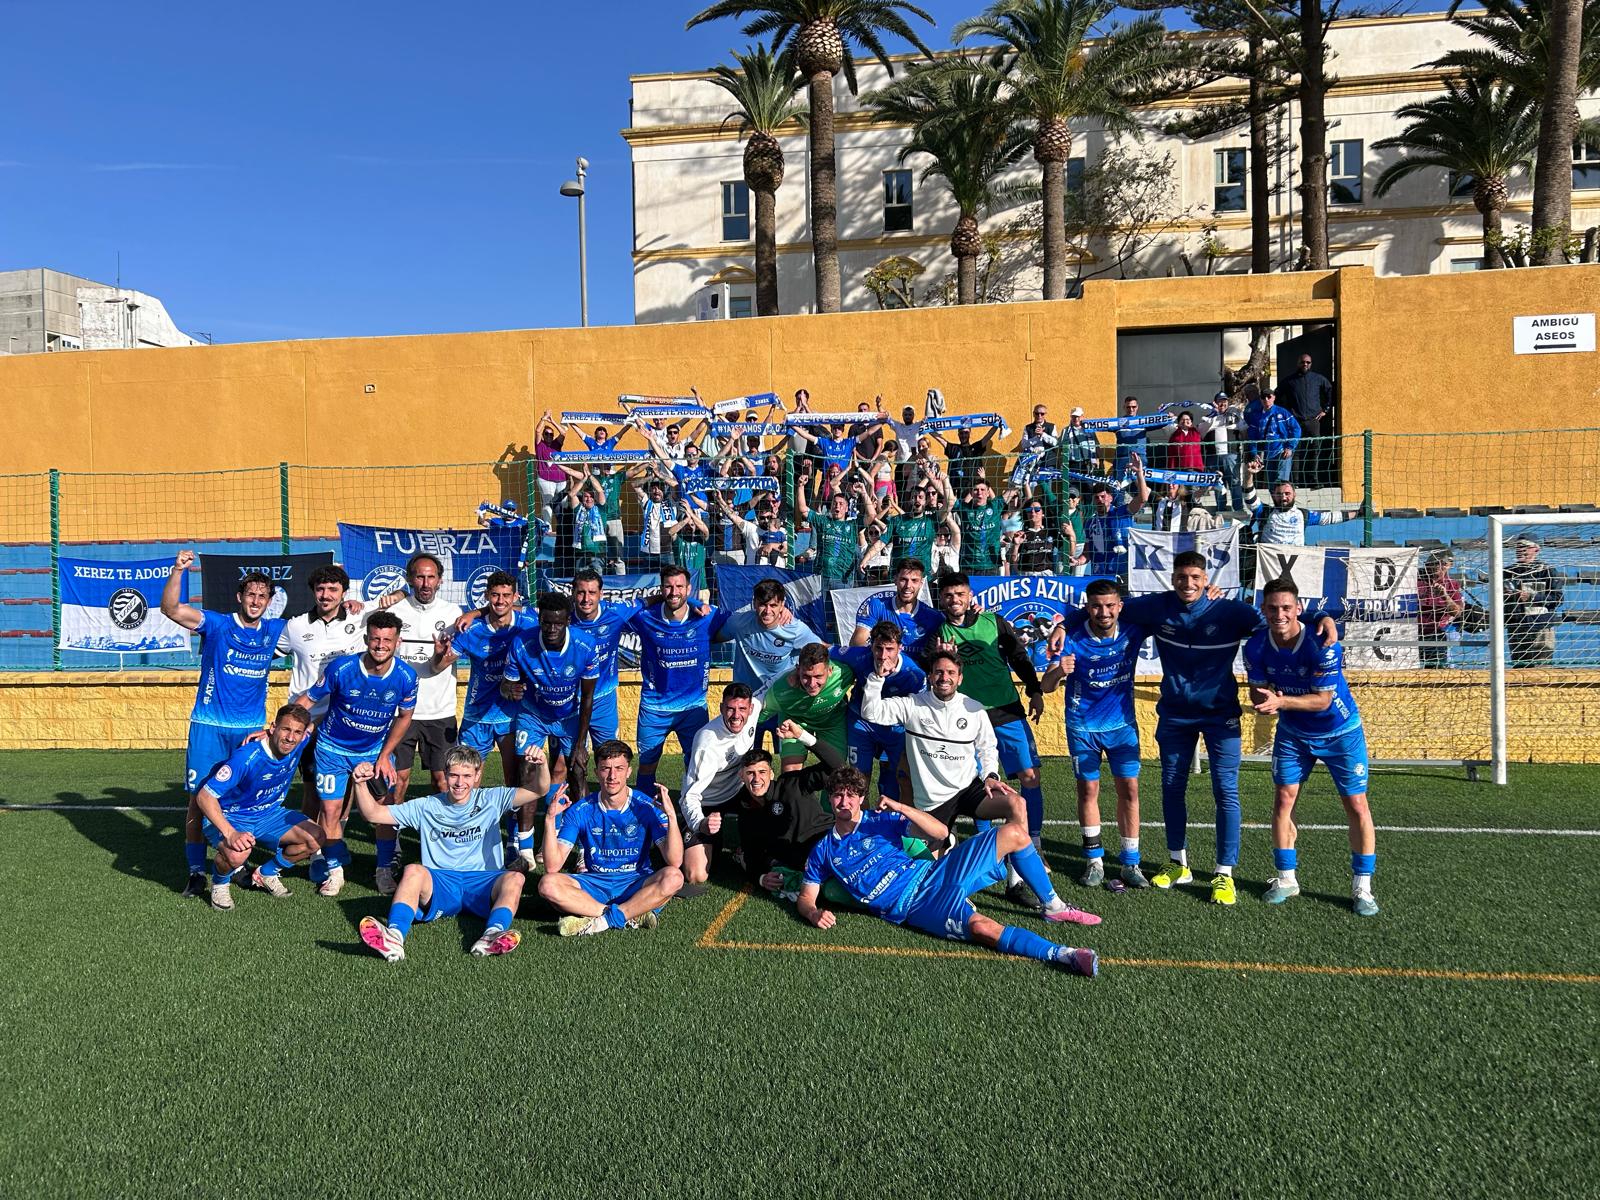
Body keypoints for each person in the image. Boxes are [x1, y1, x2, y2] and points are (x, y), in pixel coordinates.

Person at [1049, 550, 1337, 906]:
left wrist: (1320, 615)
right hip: (1175, 714)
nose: (1189, 584)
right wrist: (1065, 624)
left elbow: (1279, 616)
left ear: (1206, 579)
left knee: (1226, 792)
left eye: (1196, 578)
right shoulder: (1156, 608)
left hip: (1221, 715)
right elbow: (1105, 608)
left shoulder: (1230, 611)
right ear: (1173, 579)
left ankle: (1223, 873)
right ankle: (1177, 863)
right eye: (1182, 578)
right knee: (1172, 788)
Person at [796, 766, 1100, 976]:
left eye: (852, 794)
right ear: (830, 798)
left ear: (862, 797)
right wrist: (813, 913)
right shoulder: (824, 850)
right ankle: (1066, 954)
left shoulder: (881, 821)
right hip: (916, 906)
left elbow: (940, 832)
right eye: (838, 794)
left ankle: (1054, 906)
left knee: (1015, 833)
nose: (844, 801)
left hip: (934, 873)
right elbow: (807, 897)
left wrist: (901, 808)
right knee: (983, 929)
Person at [1245, 577, 1378, 917]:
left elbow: (1322, 701)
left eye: (1287, 607)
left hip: (1340, 732)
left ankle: (1362, 887)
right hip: (1293, 733)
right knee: (1283, 800)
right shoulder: (1255, 646)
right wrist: (1264, 700)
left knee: (1356, 804)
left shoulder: (1323, 643)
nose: (1280, 614)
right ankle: (1286, 878)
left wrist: (1281, 701)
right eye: (1273, 608)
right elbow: (1258, 691)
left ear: (1299, 610)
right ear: (1264, 610)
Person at [161, 550, 290, 898]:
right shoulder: (218, 624)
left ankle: (238, 860)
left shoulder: (277, 630)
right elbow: (171, 609)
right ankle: (195, 871)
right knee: (196, 798)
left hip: (248, 730)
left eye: (263, 596)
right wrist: (178, 571)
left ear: (270, 601)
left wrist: (351, 606)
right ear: (240, 597)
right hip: (208, 726)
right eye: (251, 594)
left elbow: (320, 629)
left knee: (238, 797)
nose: (256, 601)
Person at [353, 744, 552, 962]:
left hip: (483, 883)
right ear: (445, 775)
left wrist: (542, 765)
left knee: (515, 877)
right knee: (413, 871)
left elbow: (538, 790)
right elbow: (373, 814)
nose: (459, 782)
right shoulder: (426, 806)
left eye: (466, 775)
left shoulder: (492, 799)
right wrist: (360, 784)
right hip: (441, 882)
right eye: (454, 775)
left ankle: (492, 935)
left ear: (477, 776)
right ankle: (394, 936)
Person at [929, 572, 1050, 903]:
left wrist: (1036, 691)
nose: (954, 600)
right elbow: (934, 674)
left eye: (960, 594)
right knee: (978, 784)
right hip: (966, 716)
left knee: (1028, 777)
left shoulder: (994, 623)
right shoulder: (939, 633)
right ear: (941, 599)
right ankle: (988, 861)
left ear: (969, 595)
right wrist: (938, 656)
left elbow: (1020, 657)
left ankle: (1032, 844)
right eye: (948, 595)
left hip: (1007, 710)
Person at [293, 611, 418, 898]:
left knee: (385, 811)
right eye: (375, 638)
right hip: (331, 751)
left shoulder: (405, 677)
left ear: (397, 642)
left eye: (387, 639)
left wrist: (385, 755)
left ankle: (384, 869)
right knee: (331, 811)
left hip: (373, 753)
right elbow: (309, 699)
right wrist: (281, 725)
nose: (380, 645)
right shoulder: (342, 668)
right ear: (366, 639)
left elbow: (404, 717)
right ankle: (335, 870)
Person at [1039, 581, 1149, 889]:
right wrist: (1059, 670)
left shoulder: (1132, 630)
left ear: (1120, 606)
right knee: (1088, 790)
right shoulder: (1071, 639)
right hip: (1082, 727)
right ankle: (1094, 861)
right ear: (1087, 607)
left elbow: (1166, 608)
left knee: (1130, 790)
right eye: (1097, 606)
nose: (1104, 612)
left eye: (1110, 605)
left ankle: (1131, 862)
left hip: (1122, 726)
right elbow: (1047, 687)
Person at [538, 739, 686, 936]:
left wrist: (672, 817)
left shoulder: (646, 806)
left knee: (675, 878)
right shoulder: (581, 809)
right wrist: (549, 819)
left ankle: (598, 920)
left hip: (636, 882)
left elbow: (675, 860)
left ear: (629, 772)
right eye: (605, 768)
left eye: (619, 768)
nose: (612, 776)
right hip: (595, 883)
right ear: (596, 771)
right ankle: (629, 913)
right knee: (547, 884)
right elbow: (552, 866)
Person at [381, 552, 464, 892]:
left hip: (440, 711)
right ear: (409, 578)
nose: (425, 583)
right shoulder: (394, 613)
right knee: (396, 782)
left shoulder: (452, 614)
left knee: (441, 783)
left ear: (440, 580)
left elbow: (446, 661)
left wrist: (438, 658)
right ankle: (394, 848)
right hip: (402, 714)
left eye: (431, 577)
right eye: (419, 577)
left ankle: (440, 845)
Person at [193, 704, 325, 909]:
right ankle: (220, 883)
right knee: (238, 853)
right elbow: (204, 797)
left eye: (297, 732)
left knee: (316, 837)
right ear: (273, 728)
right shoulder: (246, 757)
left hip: (270, 814)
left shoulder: (299, 742)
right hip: (232, 816)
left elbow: (313, 726)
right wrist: (230, 833)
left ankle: (266, 873)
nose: (291, 738)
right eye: (285, 729)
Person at [500, 591, 598, 855]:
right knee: (527, 775)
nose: (552, 629)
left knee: (577, 772)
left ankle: (581, 848)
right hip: (533, 716)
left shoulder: (586, 646)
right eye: (546, 622)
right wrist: (511, 690)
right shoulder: (521, 643)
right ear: (539, 619)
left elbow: (587, 698)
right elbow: (506, 685)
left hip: (569, 717)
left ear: (568, 621)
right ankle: (525, 852)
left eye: (558, 623)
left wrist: (579, 745)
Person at [626, 564, 729, 794]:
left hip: (693, 707)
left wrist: (695, 604)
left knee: (697, 765)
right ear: (661, 588)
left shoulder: (707, 617)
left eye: (680, 586)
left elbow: (742, 620)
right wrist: (656, 600)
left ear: (689, 588)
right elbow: (618, 612)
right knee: (647, 765)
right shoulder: (645, 618)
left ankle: (691, 815)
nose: (674, 591)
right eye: (668, 586)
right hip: (654, 708)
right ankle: (646, 816)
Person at [273, 563, 366, 817]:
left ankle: (334, 840)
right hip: (307, 717)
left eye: (333, 589)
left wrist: (361, 604)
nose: (326, 595)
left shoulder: (360, 619)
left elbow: (399, 596)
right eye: (320, 589)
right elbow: (267, 653)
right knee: (311, 787)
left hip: (344, 719)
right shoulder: (295, 626)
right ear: (313, 591)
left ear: (344, 592)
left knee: (343, 786)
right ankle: (312, 847)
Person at [448, 570, 537, 783]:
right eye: (495, 595)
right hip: (477, 712)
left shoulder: (528, 623)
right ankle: (468, 816)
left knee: (514, 777)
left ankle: (513, 818)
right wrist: (441, 655)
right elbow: (438, 664)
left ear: (515, 597)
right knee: (467, 777)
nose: (501, 600)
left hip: (511, 711)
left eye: (506, 595)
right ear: (487, 595)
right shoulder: (470, 629)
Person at [677, 684, 763, 886]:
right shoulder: (707, 743)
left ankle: (743, 844)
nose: (736, 715)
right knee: (696, 875)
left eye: (742, 709)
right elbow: (689, 796)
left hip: (739, 792)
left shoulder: (754, 708)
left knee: (766, 789)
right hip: (707, 803)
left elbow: (770, 685)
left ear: (750, 709)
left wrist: (796, 672)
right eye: (730, 709)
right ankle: (686, 830)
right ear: (721, 708)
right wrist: (701, 823)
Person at [830, 621, 926, 802]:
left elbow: (922, 710)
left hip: (895, 727)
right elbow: (826, 650)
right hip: (860, 723)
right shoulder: (859, 656)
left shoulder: (914, 674)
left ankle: (902, 823)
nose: (883, 656)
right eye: (878, 648)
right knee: (858, 778)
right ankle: (859, 825)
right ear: (870, 646)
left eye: (889, 649)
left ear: (900, 648)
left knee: (902, 776)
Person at [759, 642, 854, 770]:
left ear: (830, 671)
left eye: (818, 676)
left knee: (837, 770)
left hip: (832, 723)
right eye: (806, 676)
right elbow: (753, 717)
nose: (812, 683)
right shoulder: (780, 691)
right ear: (798, 670)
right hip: (794, 723)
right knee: (790, 773)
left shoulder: (844, 673)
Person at [716, 578, 821, 690]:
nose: (767, 610)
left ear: (782, 605)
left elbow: (823, 649)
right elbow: (712, 637)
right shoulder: (739, 623)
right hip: (745, 696)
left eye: (773, 605)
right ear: (754, 603)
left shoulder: (795, 629)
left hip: (778, 695)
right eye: (762, 604)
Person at [1075, 457, 1149, 579]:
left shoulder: (1123, 512)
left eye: (1103, 497)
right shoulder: (1090, 523)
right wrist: (1077, 561)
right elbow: (1087, 553)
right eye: (1097, 498)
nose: (1100, 500)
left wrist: (1139, 473)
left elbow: (1143, 498)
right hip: (1100, 575)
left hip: (1124, 574)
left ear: (1110, 497)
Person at [850, 558, 943, 654]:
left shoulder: (934, 617)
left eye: (914, 580)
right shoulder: (877, 605)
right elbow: (857, 643)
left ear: (921, 584)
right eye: (903, 579)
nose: (908, 585)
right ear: (895, 580)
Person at [797, 480, 875, 590]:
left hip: (843, 579)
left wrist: (863, 492)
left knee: (839, 607)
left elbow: (872, 515)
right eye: (834, 503)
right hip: (821, 577)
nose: (837, 506)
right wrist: (800, 486)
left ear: (847, 509)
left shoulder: (852, 525)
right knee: (821, 607)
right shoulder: (823, 521)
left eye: (841, 504)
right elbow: (803, 509)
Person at [1503, 533, 1564, 668]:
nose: (1521, 550)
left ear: (1536, 550)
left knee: (1541, 668)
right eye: (1518, 547)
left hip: (1540, 626)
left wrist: (1531, 597)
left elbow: (1558, 599)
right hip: (1516, 626)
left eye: (1525, 546)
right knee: (1519, 669)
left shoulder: (1547, 571)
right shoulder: (1507, 572)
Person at [1242, 470, 1348, 546]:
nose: (1283, 497)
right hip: (1268, 568)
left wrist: (1358, 513)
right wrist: (1249, 474)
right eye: (1279, 494)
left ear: (1294, 494)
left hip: (1296, 568)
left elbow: (1331, 517)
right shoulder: (1264, 512)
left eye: (1287, 493)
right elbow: (1249, 498)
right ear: (1273, 495)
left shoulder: (1303, 514)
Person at [1279, 352, 1333, 486]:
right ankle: (1295, 481)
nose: (1305, 364)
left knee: (1315, 449)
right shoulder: (1289, 381)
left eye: (1308, 362)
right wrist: (1287, 414)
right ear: (1298, 363)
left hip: (1314, 420)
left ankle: (1313, 479)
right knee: (1295, 450)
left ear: (1311, 364)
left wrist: (1325, 410)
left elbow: (1330, 392)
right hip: (1296, 421)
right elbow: (1277, 395)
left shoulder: (1318, 379)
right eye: (1303, 362)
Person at [1417, 549, 1466, 668]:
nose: (1438, 567)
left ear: (1450, 566)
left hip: (1436, 633)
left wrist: (1444, 596)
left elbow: (1457, 612)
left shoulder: (1452, 585)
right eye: (1435, 563)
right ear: (1428, 564)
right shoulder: (1415, 581)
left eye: (1443, 564)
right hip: (1411, 632)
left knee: (1437, 670)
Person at [1245, 390, 1301, 485]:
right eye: (1263, 397)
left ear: (1274, 397)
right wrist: (1254, 453)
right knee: (1272, 485)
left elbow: (1296, 428)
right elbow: (1252, 436)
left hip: (1282, 451)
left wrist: (1290, 447)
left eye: (1268, 396)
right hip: (1268, 453)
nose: (1266, 399)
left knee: (1281, 482)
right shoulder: (1256, 416)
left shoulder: (1283, 412)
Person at [1203, 394, 1246, 511]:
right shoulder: (1208, 418)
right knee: (1217, 483)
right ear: (1215, 403)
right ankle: (1220, 510)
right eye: (1220, 402)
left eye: (1224, 401)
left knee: (1235, 483)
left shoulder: (1235, 417)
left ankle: (1238, 509)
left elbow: (1244, 432)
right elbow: (1200, 433)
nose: (1222, 404)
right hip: (1213, 457)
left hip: (1231, 455)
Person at [953, 478, 1005, 574]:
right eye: (976, 490)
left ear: (988, 493)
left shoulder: (995, 506)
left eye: (982, 489)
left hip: (991, 566)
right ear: (971, 493)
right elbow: (948, 496)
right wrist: (942, 481)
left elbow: (1013, 490)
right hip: (968, 565)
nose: (979, 493)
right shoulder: (964, 509)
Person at [1006, 497, 1064, 575]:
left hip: (1046, 575)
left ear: (1043, 513)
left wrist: (1071, 535)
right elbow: (1010, 559)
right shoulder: (1021, 534)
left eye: (1037, 509)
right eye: (1029, 510)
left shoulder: (1051, 532)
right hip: (1025, 575)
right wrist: (1016, 546)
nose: (1033, 512)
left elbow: (1069, 552)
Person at [1010, 406, 1059, 494]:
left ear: (1045, 415)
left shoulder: (1051, 426)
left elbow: (1055, 443)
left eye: (1042, 414)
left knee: (1047, 490)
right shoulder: (1028, 428)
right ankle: (1029, 506)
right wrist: (1036, 438)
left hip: (1047, 462)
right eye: (1037, 413)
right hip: (1031, 463)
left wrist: (1043, 434)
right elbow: (1024, 444)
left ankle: (1046, 508)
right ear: (1033, 414)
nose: (1039, 416)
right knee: (1029, 488)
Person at [534, 411, 567, 523]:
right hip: (545, 479)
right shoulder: (540, 445)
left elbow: (563, 433)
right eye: (547, 434)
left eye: (551, 434)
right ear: (544, 435)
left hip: (561, 479)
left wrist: (552, 421)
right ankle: (547, 528)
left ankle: (563, 528)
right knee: (548, 502)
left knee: (563, 504)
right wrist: (544, 418)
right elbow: (537, 430)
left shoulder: (556, 444)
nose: (549, 436)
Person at [1112, 395, 1147, 480]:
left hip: (1140, 458)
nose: (1131, 409)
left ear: (1137, 407)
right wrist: (1087, 425)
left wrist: (1168, 417)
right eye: (1128, 407)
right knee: (1119, 486)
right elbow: (1100, 426)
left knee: (1140, 485)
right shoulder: (1117, 423)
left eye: (1133, 407)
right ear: (1124, 407)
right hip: (1121, 458)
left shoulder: (1144, 421)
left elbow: (1160, 423)